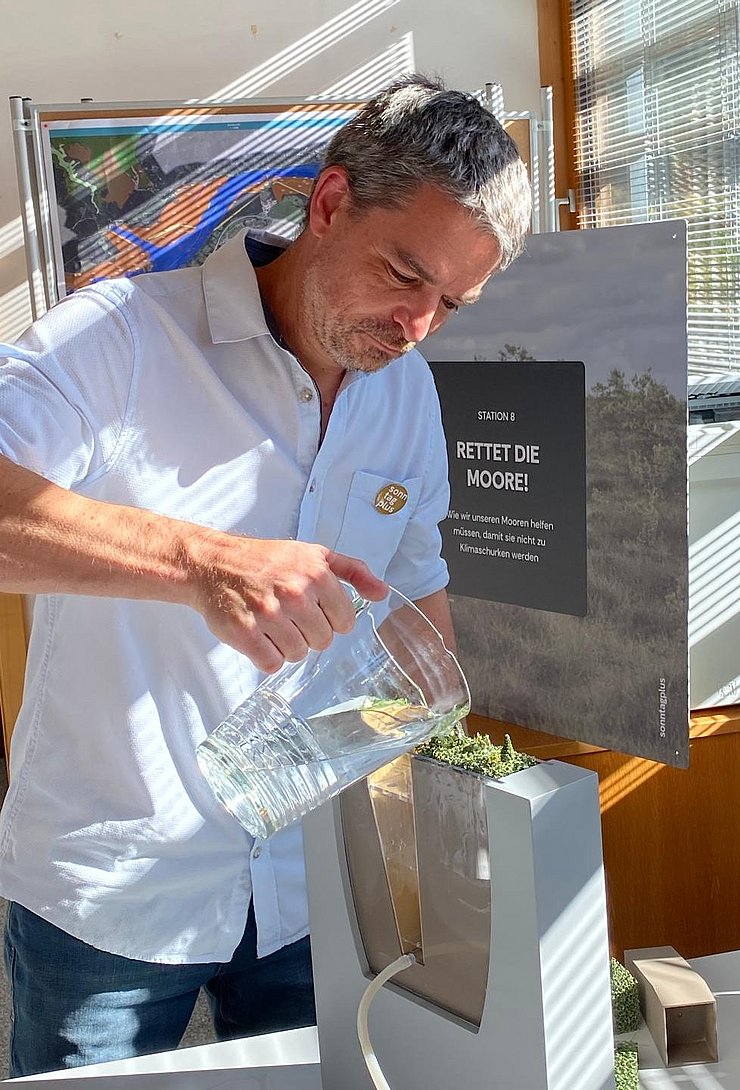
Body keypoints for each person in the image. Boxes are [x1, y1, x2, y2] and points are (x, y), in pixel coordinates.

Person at [0, 73, 530, 1076]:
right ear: (328, 204)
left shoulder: (404, 390)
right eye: (401, 275)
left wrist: (433, 747)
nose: (416, 326)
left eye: (449, 304)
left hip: (306, 884)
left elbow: (416, 581)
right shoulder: (119, 336)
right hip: (114, 889)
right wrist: (202, 562)